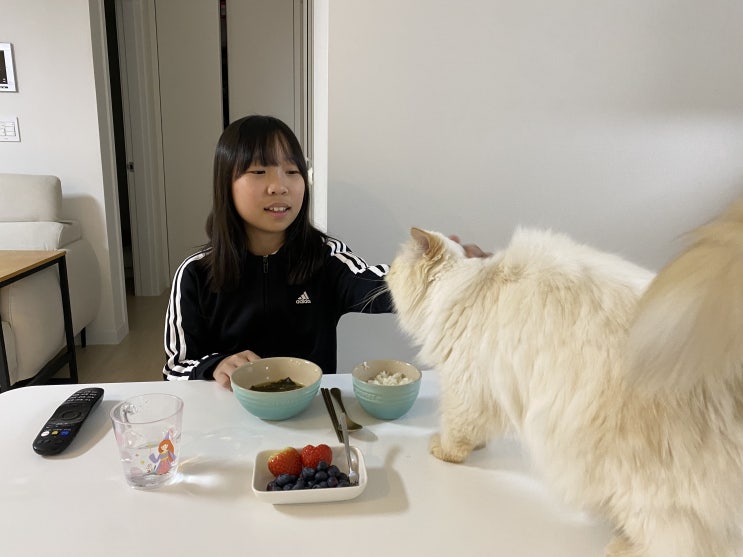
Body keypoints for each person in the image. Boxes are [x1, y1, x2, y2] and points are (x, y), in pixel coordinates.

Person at [163, 115, 394, 388]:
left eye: (293, 171)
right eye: (259, 171)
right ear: (226, 183)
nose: (280, 187)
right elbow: (175, 370)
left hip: (310, 408)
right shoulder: (196, 273)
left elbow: (384, 287)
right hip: (231, 410)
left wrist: (437, 271)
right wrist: (215, 365)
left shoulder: (326, 258)